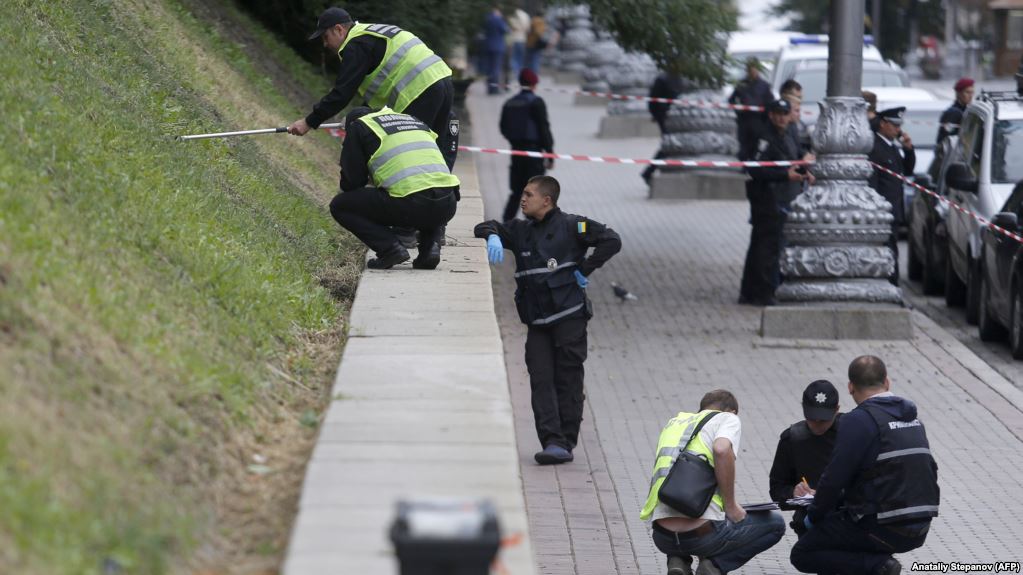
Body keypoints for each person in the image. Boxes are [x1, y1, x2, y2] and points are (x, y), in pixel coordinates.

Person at [474, 176, 621, 464]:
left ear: (547, 200)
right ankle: (551, 441)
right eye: (523, 194)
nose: (523, 199)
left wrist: (586, 269)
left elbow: (611, 240)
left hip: (569, 318)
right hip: (538, 322)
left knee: (567, 378)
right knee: (541, 378)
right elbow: (483, 225)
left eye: (529, 194)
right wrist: (492, 235)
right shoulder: (520, 230)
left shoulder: (572, 226)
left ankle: (565, 441)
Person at [791, 356, 938, 575]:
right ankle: (875, 564)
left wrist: (812, 516)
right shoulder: (913, 420)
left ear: (850, 387)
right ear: (887, 382)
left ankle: (879, 567)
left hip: (883, 526)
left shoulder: (857, 421)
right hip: (920, 526)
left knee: (804, 552)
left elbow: (834, 480)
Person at [288, 8, 459, 171]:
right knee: (432, 151)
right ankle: (441, 196)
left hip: (420, 92)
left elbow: (342, 93)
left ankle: (409, 197)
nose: (325, 44)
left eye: (325, 37)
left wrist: (309, 122)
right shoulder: (371, 33)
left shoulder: (355, 45)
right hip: (442, 80)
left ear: (339, 30)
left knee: (410, 153)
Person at [641, 390, 785, 575]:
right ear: (731, 412)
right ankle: (714, 565)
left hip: (662, 537)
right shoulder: (727, 419)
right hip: (702, 536)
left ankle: (678, 560)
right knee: (774, 524)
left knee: (696, 510)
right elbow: (721, 449)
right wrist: (731, 506)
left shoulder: (675, 423)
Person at [329, 107, 459, 270]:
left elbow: (352, 183)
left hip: (411, 204)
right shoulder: (412, 120)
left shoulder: (359, 126)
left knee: (340, 205)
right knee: (427, 194)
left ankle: (389, 249)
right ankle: (430, 248)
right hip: (447, 204)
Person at [739, 98, 814, 307]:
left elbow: (794, 157)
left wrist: (805, 168)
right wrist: (784, 175)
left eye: (785, 113)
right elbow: (754, 169)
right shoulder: (765, 136)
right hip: (767, 198)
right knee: (766, 248)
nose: (781, 118)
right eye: (778, 114)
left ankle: (751, 291)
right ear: (771, 115)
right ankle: (762, 292)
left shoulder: (789, 134)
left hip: (782, 197)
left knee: (764, 247)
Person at [769, 380, 842, 536]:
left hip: (844, 517)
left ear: (837, 410)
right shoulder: (792, 439)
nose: (817, 425)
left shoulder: (850, 433)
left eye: (824, 420)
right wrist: (793, 492)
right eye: (812, 418)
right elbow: (777, 488)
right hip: (809, 519)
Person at [868, 107, 915, 286]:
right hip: (883, 212)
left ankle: (892, 286)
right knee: (887, 252)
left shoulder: (891, 147)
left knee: (892, 250)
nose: (898, 130)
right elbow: (873, 184)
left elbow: (907, 170)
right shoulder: (875, 148)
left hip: (894, 210)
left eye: (899, 126)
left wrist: (909, 150)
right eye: (894, 125)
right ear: (883, 124)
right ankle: (890, 286)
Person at [499, 69, 554, 221]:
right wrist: (549, 152)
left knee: (516, 191)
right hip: (534, 153)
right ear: (534, 84)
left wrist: (514, 141)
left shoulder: (509, 103)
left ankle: (507, 224)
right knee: (535, 192)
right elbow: (544, 128)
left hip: (516, 152)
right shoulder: (536, 102)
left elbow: (503, 128)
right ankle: (534, 226)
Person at [642, 72, 690, 184]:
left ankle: (649, 172)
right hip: (665, 117)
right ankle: (649, 172)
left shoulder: (677, 78)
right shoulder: (663, 79)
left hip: (672, 116)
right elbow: (653, 99)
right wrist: (656, 115)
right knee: (669, 144)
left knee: (668, 145)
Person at [729, 57, 774, 161]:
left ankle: (753, 165)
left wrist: (766, 115)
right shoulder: (742, 84)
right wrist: (738, 110)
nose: (752, 71)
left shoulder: (764, 86)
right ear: (747, 70)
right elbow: (731, 100)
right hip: (744, 120)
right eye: (750, 69)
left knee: (755, 144)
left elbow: (770, 101)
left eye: (754, 69)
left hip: (758, 121)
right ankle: (744, 164)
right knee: (744, 143)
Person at [936, 77, 975, 144]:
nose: (971, 96)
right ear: (959, 93)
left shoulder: (966, 110)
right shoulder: (954, 113)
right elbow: (947, 141)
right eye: (967, 92)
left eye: (972, 93)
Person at [483, 7, 508, 95]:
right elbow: (505, 30)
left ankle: (489, 88)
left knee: (489, 68)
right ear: (497, 12)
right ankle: (494, 89)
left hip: (488, 46)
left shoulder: (487, 19)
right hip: (498, 47)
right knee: (496, 68)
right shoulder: (498, 20)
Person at [506, 7, 531, 87]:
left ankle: (514, 72)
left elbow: (510, 27)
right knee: (520, 59)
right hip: (522, 39)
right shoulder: (525, 15)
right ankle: (519, 74)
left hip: (514, 39)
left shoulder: (511, 16)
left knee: (514, 58)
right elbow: (528, 29)